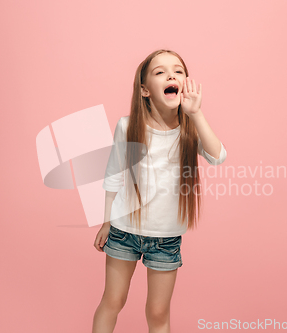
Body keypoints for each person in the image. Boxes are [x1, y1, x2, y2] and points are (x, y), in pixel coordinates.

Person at [92, 49, 227, 333]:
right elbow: (113, 176)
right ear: (144, 90)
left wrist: (197, 113)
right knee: (113, 301)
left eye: (178, 71)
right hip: (124, 231)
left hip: (166, 240)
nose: (171, 75)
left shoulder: (190, 129)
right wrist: (106, 220)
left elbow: (218, 156)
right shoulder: (127, 127)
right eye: (160, 71)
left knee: (158, 312)